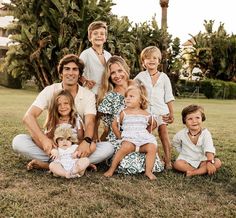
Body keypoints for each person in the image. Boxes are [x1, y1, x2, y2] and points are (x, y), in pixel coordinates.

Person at [12, 54, 114, 169]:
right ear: (61, 73)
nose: (71, 73)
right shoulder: (50, 90)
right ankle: (76, 163)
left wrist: (86, 141)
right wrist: (44, 140)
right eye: (67, 69)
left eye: (75, 69)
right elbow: (28, 117)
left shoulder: (88, 95)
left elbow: (90, 122)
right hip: (54, 146)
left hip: (76, 146)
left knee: (108, 148)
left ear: (79, 74)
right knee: (18, 141)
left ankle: (50, 164)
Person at [97, 55, 163, 175]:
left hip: (139, 134)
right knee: (127, 159)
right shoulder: (110, 97)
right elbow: (108, 127)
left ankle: (148, 169)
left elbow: (146, 112)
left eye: (120, 70)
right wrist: (107, 140)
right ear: (109, 76)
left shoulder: (139, 87)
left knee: (150, 153)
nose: (117, 75)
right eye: (113, 73)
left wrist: (146, 133)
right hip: (121, 136)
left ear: (126, 69)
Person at [27, 89, 96, 170]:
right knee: (28, 138)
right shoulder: (53, 120)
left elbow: (80, 138)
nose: (62, 107)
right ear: (55, 107)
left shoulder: (76, 119)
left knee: (93, 145)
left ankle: (49, 165)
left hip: (72, 150)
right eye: (59, 104)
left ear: (71, 104)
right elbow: (48, 138)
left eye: (66, 103)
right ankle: (78, 165)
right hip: (57, 150)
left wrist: (71, 145)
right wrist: (56, 147)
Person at [104, 81, 159, 180]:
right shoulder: (124, 112)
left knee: (152, 147)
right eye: (126, 96)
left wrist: (146, 132)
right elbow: (114, 125)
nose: (127, 98)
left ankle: (148, 171)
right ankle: (111, 169)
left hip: (143, 139)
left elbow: (154, 124)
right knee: (124, 148)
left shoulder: (145, 113)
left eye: (131, 96)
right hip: (129, 139)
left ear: (141, 100)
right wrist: (119, 136)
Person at [135, 46, 174, 169]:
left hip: (161, 111)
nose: (151, 60)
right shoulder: (140, 76)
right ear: (143, 62)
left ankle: (168, 161)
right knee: (147, 133)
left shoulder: (164, 77)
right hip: (146, 112)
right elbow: (133, 90)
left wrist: (171, 113)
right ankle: (152, 158)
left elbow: (168, 96)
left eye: (155, 58)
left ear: (159, 61)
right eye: (148, 58)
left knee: (163, 133)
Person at [172, 104, 222, 176]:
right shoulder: (181, 134)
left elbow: (209, 148)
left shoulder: (206, 134)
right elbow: (175, 143)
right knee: (177, 164)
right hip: (187, 159)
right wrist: (181, 151)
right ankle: (201, 171)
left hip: (203, 160)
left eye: (197, 118)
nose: (194, 121)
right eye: (190, 119)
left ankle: (193, 172)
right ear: (184, 121)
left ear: (202, 118)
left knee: (217, 162)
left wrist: (209, 162)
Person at [79, 21, 112, 95]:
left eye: (102, 34)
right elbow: (77, 72)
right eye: (95, 33)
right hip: (90, 93)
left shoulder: (108, 55)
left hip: (106, 94)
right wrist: (85, 81)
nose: (99, 36)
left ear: (105, 38)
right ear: (90, 37)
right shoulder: (86, 54)